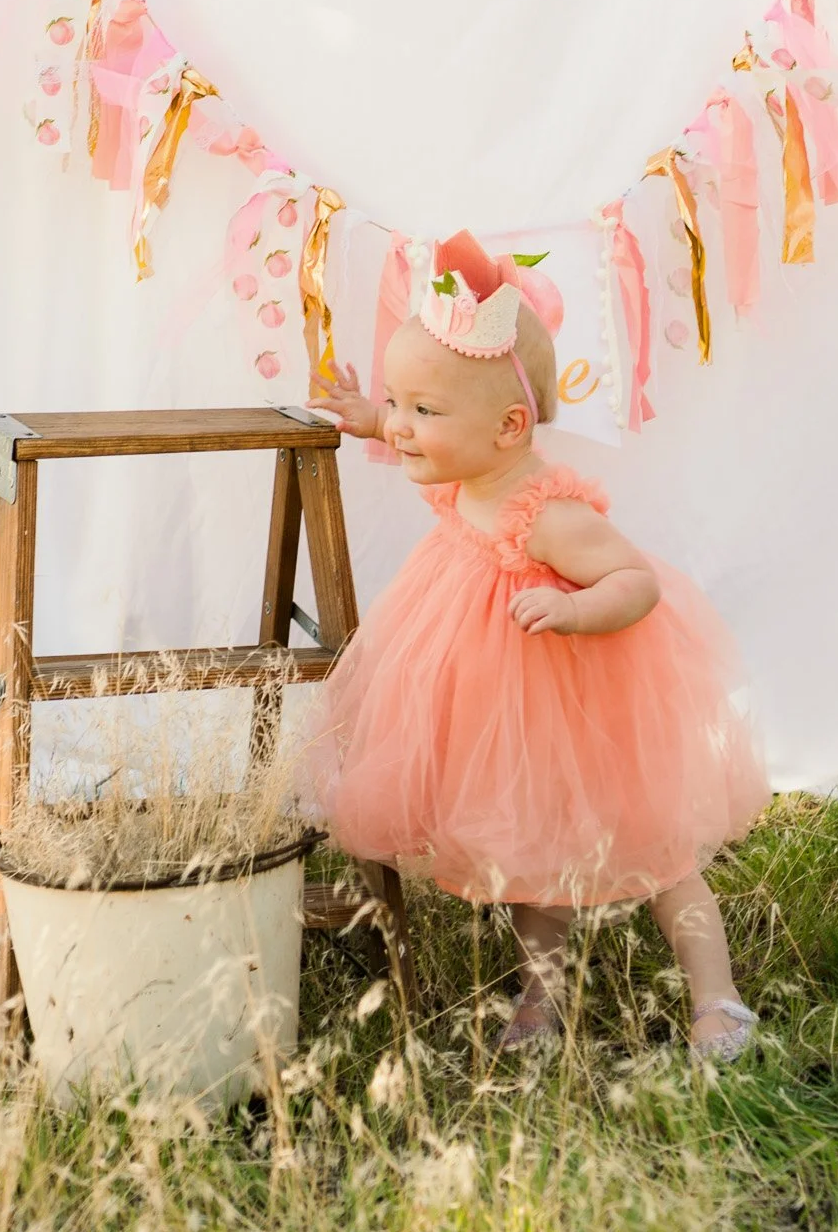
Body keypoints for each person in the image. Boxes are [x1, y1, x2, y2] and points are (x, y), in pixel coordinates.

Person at [302, 230, 771, 1061]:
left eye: (421, 411)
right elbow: (413, 425)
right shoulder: (466, 468)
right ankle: (543, 990)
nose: (401, 430)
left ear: (510, 426)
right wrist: (367, 414)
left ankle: (718, 997)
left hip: (589, 701)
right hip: (512, 715)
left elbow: (636, 580)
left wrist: (577, 615)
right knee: (528, 849)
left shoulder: (547, 514)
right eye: (397, 405)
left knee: (661, 854)